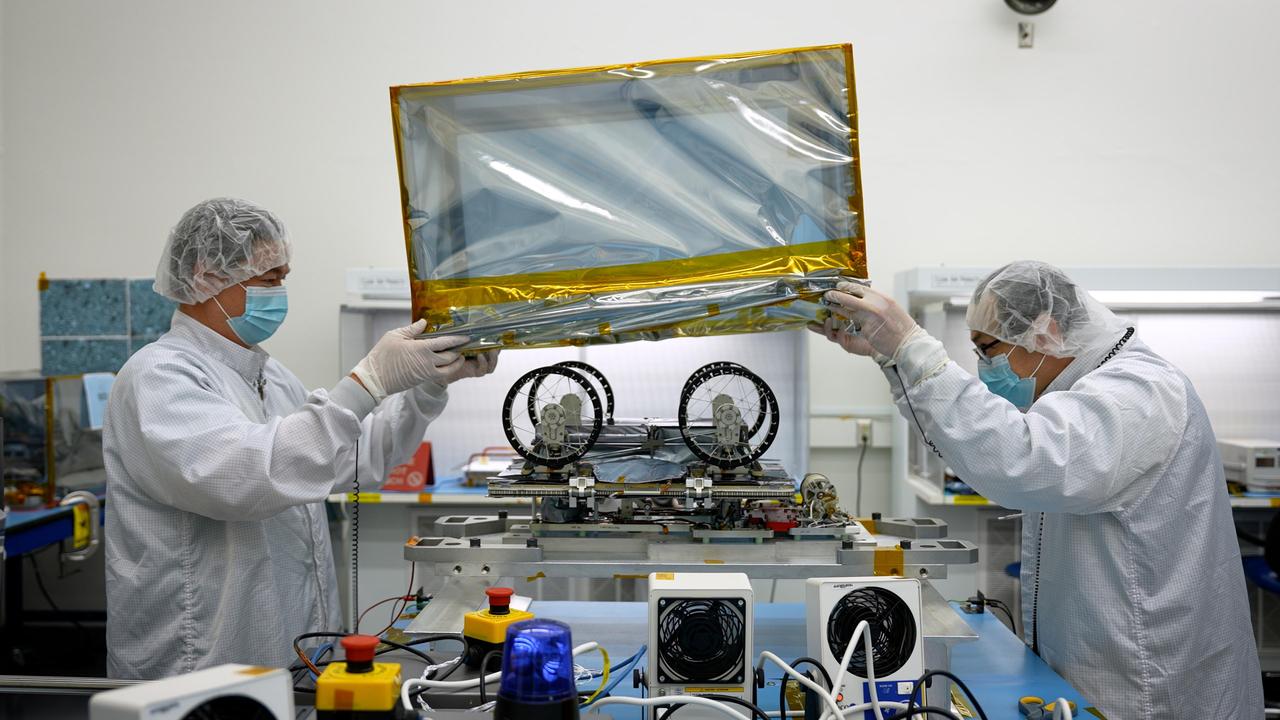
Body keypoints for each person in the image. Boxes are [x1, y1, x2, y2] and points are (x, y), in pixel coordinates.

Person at [813, 261, 1261, 719]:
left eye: (989, 348)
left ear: (1045, 333)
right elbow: (978, 444)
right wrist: (894, 361)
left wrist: (912, 348)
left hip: (1149, 682)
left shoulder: (1139, 390)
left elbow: (1024, 461)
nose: (986, 368)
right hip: (1103, 663)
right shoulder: (1080, 393)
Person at [103, 198, 498, 679]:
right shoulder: (159, 376)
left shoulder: (269, 375)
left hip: (290, 655)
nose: (281, 291)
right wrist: (365, 383)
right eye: (269, 279)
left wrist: (428, 386)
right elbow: (246, 477)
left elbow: (355, 459)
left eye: (283, 277)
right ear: (207, 277)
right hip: (198, 664)